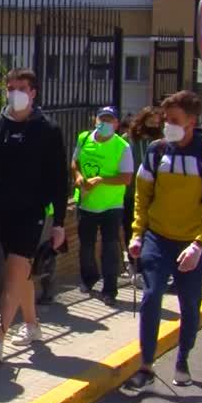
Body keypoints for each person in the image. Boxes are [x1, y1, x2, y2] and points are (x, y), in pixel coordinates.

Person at [127, 90, 202, 388]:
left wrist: (199, 244)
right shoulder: (156, 151)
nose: (167, 125)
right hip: (157, 237)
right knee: (151, 296)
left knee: (189, 305)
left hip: (191, 243)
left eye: (174, 120)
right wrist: (137, 234)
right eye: (165, 119)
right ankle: (146, 365)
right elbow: (142, 196)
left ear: (191, 122)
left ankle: (183, 358)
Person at [0, 68, 68, 363]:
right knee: (22, 273)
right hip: (1, 212)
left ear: (34, 92)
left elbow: (58, 179)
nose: (15, 93)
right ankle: (32, 326)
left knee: (15, 270)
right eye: (10, 87)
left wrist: (60, 222)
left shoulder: (48, 130)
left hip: (32, 213)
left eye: (22, 88)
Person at [71, 106, 133, 307]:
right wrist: (79, 177)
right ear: (95, 120)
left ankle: (110, 290)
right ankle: (89, 279)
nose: (105, 123)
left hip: (111, 205)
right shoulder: (84, 138)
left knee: (109, 248)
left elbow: (126, 178)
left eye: (110, 120)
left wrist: (101, 180)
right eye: (102, 119)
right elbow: (75, 163)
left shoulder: (122, 146)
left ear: (116, 123)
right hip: (87, 203)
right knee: (86, 246)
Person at [123, 107, 163, 253]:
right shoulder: (128, 139)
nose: (153, 126)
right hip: (131, 191)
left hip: (155, 193)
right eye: (150, 122)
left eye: (156, 123)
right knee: (131, 227)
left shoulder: (161, 142)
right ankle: (135, 262)